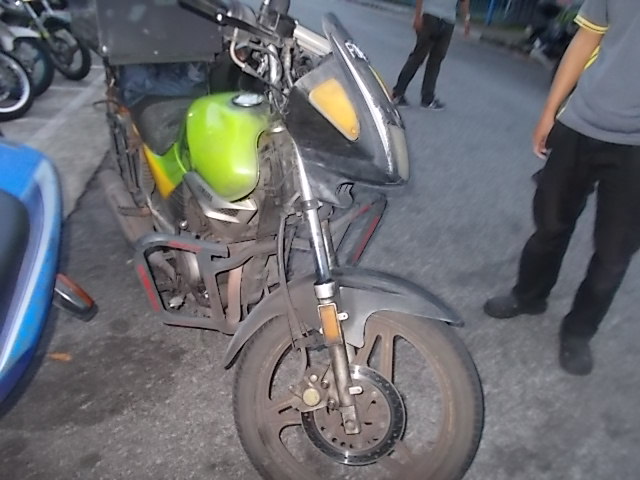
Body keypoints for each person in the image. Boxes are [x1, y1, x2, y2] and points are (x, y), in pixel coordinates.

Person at [484, 0, 640, 376]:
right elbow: (585, 41)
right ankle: (529, 295)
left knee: (614, 254)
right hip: (581, 123)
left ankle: (578, 331)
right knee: (550, 224)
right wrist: (549, 112)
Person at [391, 0, 470, 110]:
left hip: (448, 20)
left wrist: (466, 19)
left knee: (436, 59)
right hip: (430, 16)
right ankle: (398, 93)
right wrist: (417, 16)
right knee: (418, 56)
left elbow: (464, 1)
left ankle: (427, 98)